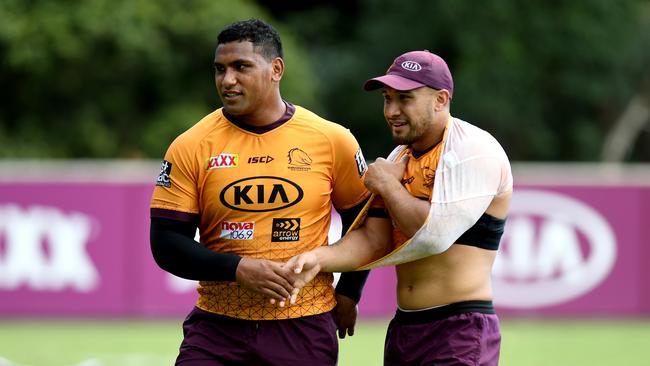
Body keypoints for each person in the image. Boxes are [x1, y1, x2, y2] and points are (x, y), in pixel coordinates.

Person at [149, 19, 372, 365]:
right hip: (217, 328)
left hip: (304, 325)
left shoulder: (332, 140)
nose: (228, 80)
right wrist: (237, 268)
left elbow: (366, 225)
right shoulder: (190, 145)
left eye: (241, 67)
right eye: (220, 69)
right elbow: (166, 244)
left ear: (276, 69)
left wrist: (349, 294)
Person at [284, 50, 513, 366]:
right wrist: (319, 261)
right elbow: (374, 240)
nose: (391, 110)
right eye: (387, 98)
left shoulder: (474, 150)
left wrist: (388, 186)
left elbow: (434, 235)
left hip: (459, 328)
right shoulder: (396, 160)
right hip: (405, 329)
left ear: (441, 99)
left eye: (404, 99)